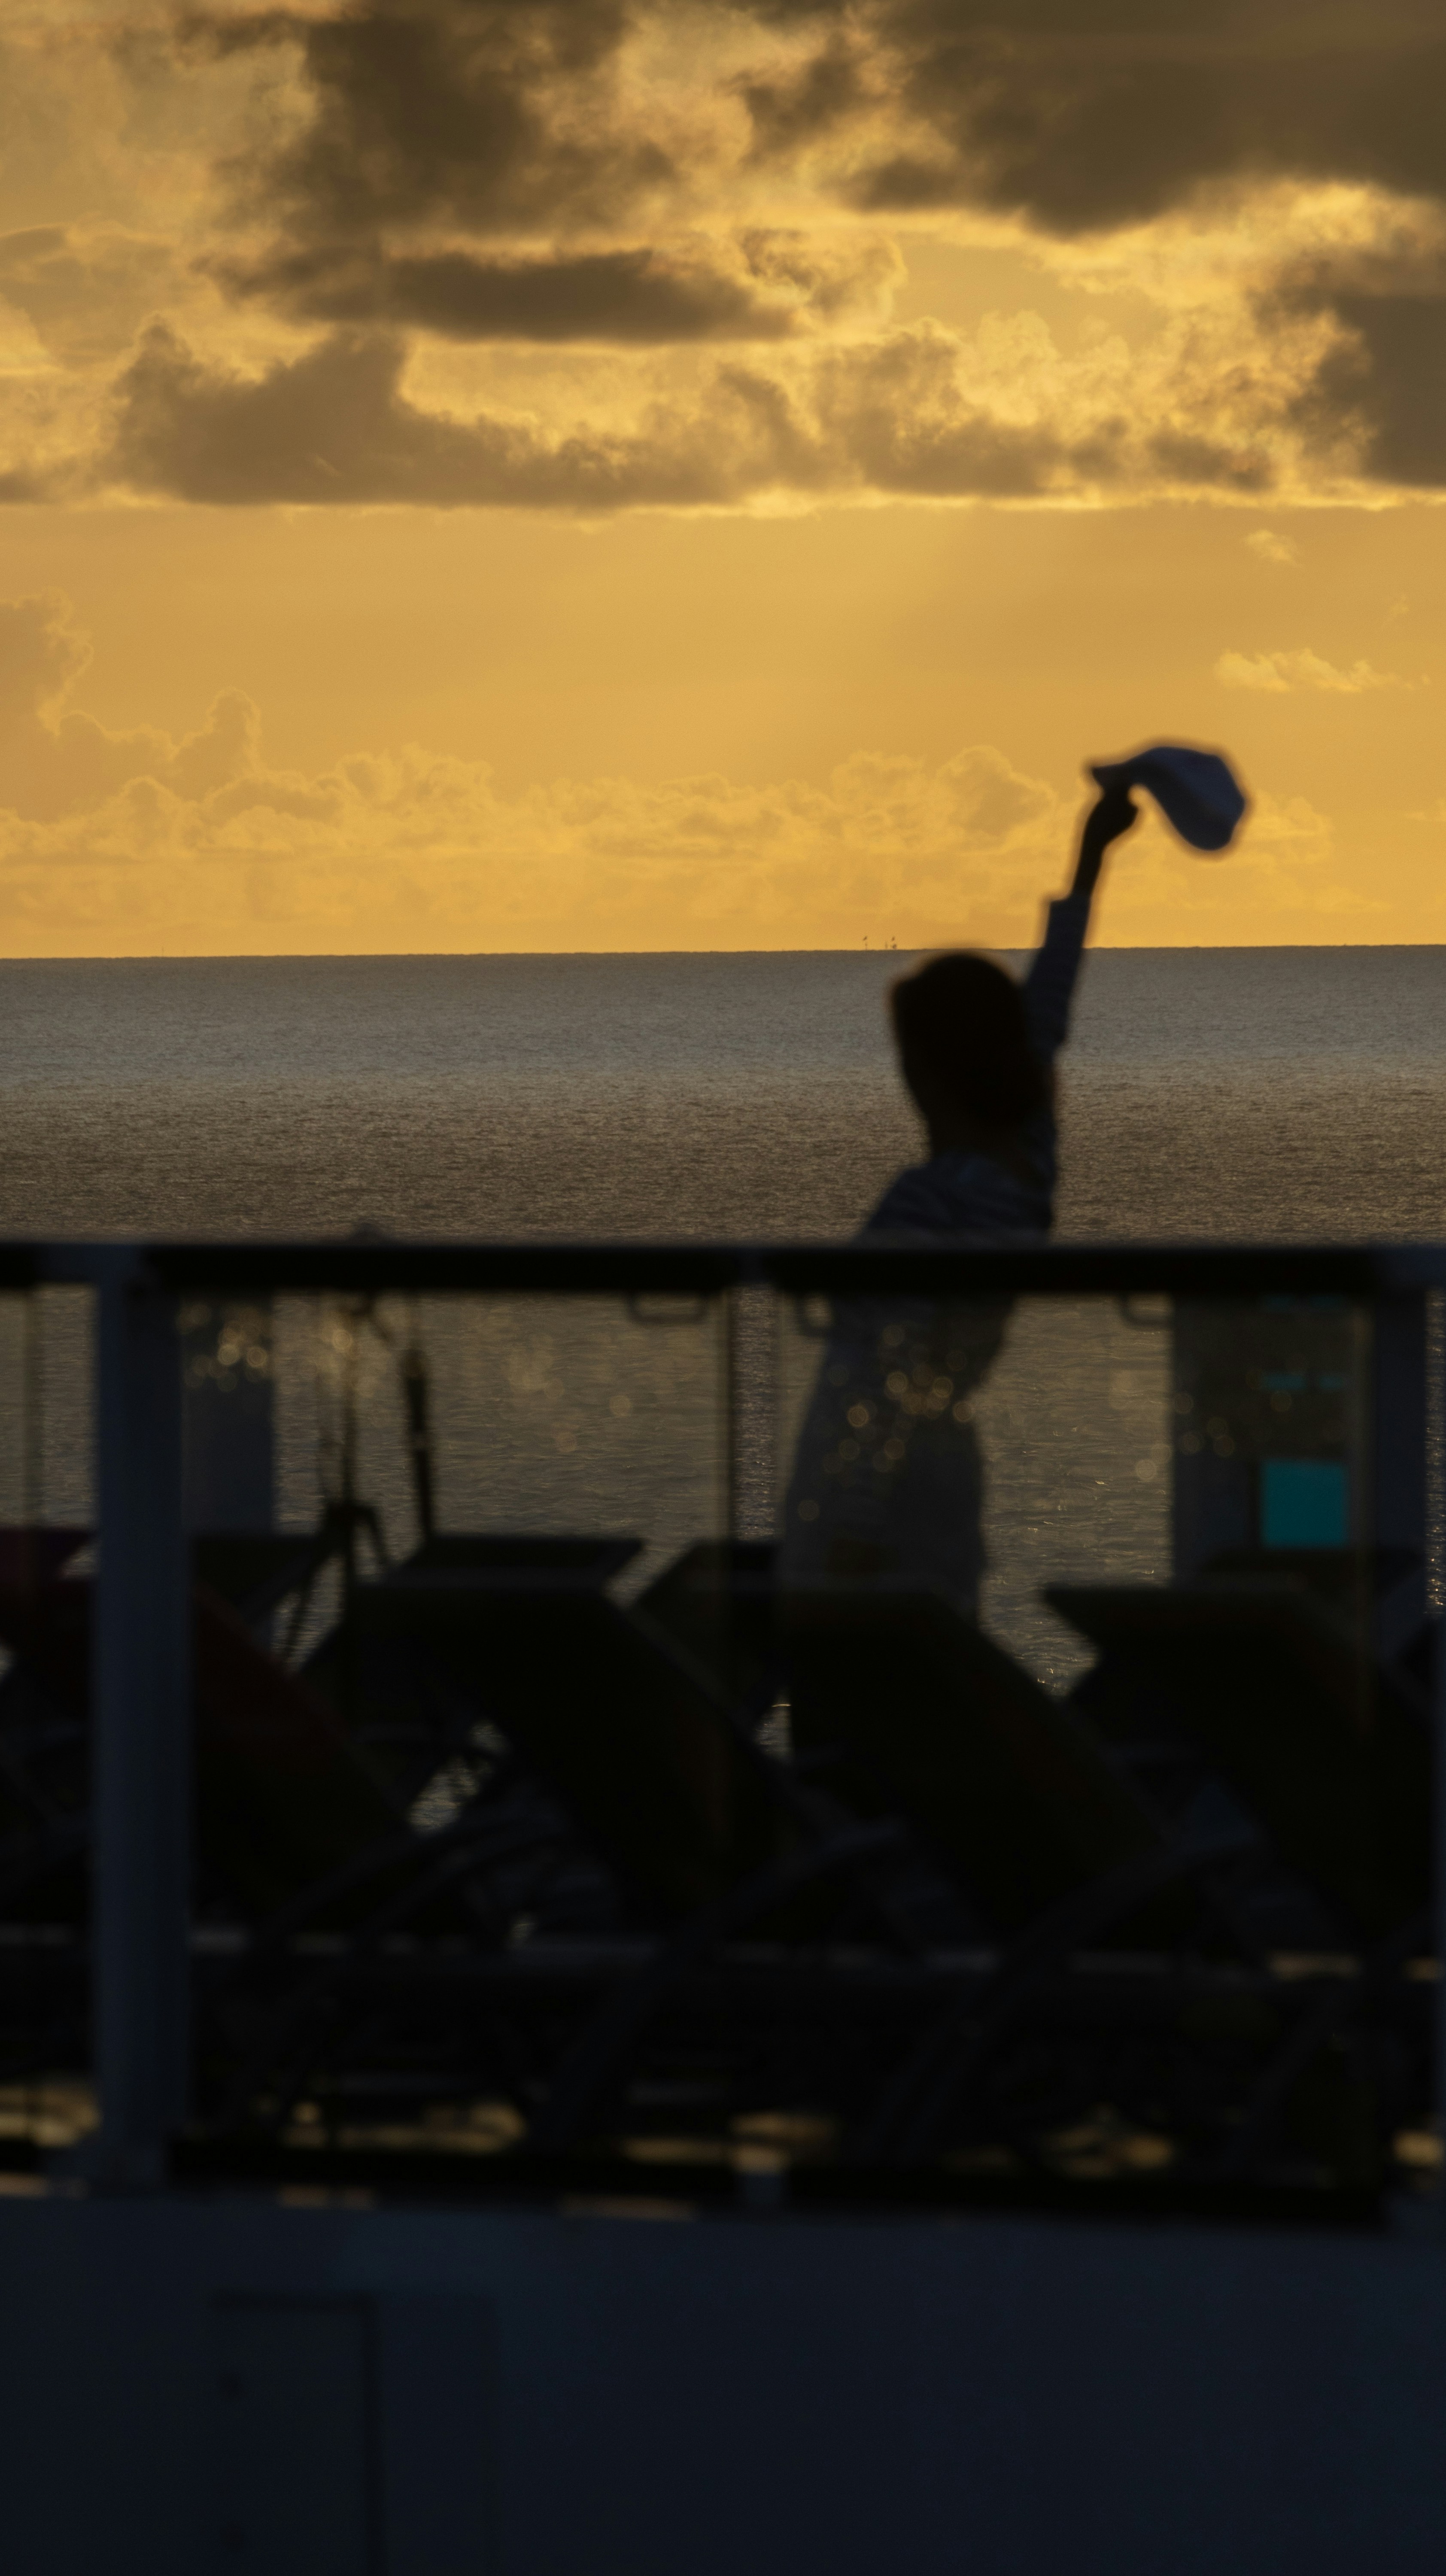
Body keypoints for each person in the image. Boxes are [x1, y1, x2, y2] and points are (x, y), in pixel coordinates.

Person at [778, 779, 1140, 1614]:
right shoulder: (1026, 1173)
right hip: (949, 1474)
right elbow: (1047, 1006)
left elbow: (886, 1382)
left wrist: (849, 1531)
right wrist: (1089, 860)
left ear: (927, 1071)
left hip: (877, 1493)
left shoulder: (930, 1206)